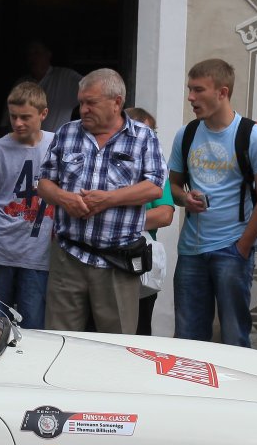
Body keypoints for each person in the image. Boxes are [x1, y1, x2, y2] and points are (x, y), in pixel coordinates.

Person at [35, 68, 166, 333]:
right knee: (60, 338)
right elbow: (44, 183)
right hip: (68, 257)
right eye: (81, 102)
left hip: (117, 261)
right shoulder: (67, 133)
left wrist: (109, 199)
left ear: (116, 102)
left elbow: (154, 187)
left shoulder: (143, 137)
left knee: (115, 343)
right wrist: (64, 199)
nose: (83, 109)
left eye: (91, 103)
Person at [168, 59, 257, 347]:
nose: (190, 97)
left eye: (198, 90)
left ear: (222, 92)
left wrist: (242, 247)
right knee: (187, 339)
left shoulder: (252, 136)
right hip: (191, 250)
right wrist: (184, 198)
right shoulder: (186, 134)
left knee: (234, 336)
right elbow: (172, 186)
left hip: (232, 248)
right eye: (189, 89)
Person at [0, 81, 55, 327]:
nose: (18, 123)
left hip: (39, 254)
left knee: (34, 325)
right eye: (13, 116)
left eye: (25, 117)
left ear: (43, 114)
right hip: (0, 251)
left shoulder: (57, 145)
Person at [128, 108, 176, 336]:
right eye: (147, 132)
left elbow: (165, 215)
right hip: (102, 265)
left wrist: (118, 222)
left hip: (139, 264)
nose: (152, 138)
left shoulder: (156, 168)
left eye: (153, 133)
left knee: (140, 331)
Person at [21, 40, 82, 133]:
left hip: (56, 141)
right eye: (29, 54)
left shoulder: (65, 77)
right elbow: (6, 123)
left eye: (36, 52)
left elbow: (95, 90)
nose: (32, 57)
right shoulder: (20, 83)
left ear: (48, 54)